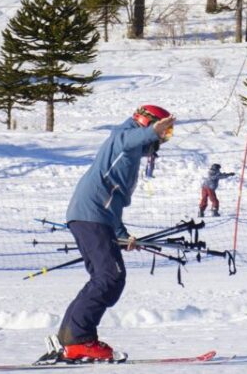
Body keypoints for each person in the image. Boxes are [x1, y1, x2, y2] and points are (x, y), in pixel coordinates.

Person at [56, 105, 175, 361]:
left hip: (94, 216)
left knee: (102, 278)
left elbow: (114, 201)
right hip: (92, 215)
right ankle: (79, 340)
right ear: (147, 122)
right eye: (164, 132)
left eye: (168, 134)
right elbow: (128, 139)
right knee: (110, 277)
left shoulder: (129, 153)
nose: (163, 139)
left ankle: (70, 337)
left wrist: (122, 235)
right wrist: (152, 131)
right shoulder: (124, 135)